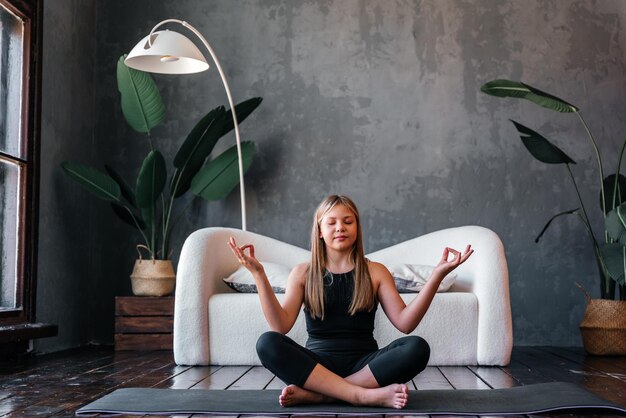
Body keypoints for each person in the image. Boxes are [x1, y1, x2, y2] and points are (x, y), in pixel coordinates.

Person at [228, 195, 473, 409]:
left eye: (348, 221)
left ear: (356, 227)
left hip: (366, 367)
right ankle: (359, 396)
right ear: (320, 230)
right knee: (267, 343)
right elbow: (280, 327)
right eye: (331, 222)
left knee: (417, 347)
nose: (340, 228)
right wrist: (258, 275)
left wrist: (436, 275)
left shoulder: (376, 271)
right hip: (317, 367)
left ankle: (322, 397)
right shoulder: (303, 273)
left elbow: (406, 323)